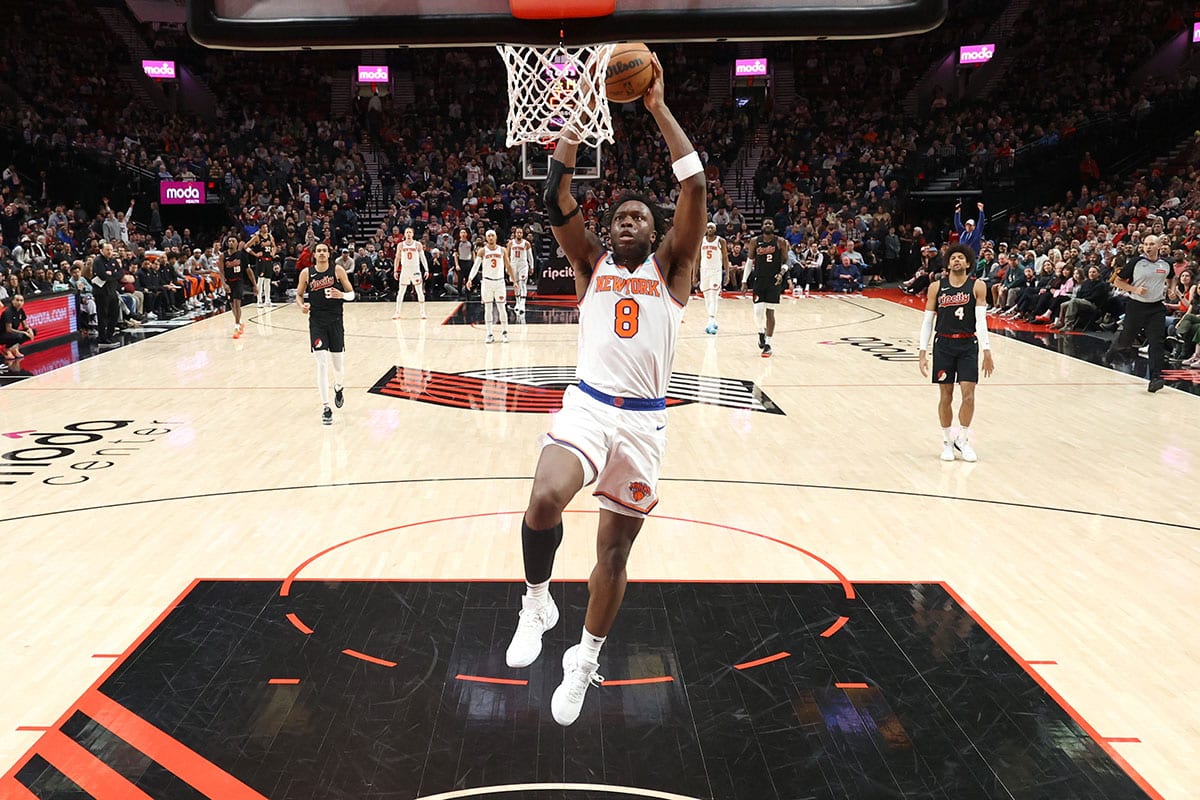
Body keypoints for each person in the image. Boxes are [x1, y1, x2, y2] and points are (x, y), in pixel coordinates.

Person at [503, 53, 704, 727]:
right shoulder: (589, 263)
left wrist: (653, 107)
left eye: (639, 217)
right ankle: (536, 600)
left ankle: (584, 661)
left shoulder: (673, 273)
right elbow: (553, 194)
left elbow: (695, 184)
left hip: (645, 425)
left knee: (613, 554)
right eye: (618, 214)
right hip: (589, 406)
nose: (626, 219)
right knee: (542, 500)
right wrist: (581, 117)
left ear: (655, 235)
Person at [918, 243, 996, 462]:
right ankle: (946, 441)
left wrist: (987, 350)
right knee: (946, 395)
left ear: (968, 263)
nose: (957, 260)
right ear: (948, 263)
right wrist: (922, 351)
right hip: (943, 344)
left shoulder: (978, 286)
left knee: (969, 394)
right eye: (953, 258)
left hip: (967, 344)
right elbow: (927, 321)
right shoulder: (936, 287)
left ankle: (963, 438)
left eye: (961, 257)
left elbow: (981, 321)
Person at [295, 242, 355, 425]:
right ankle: (326, 407)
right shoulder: (306, 273)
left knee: (338, 367)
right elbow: (298, 294)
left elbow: (352, 294)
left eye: (324, 251)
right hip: (317, 323)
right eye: (318, 251)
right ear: (314, 254)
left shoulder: (337, 271)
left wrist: (341, 295)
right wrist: (301, 306)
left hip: (336, 321)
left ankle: (338, 387)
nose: (321, 253)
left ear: (329, 254)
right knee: (321, 364)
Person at [1103, 233, 1169, 392]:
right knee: (1126, 340)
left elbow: (1171, 277)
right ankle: (1113, 349)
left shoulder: (1166, 264)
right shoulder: (1136, 262)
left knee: (1156, 342)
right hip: (1136, 305)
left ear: (1159, 246)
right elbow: (1117, 281)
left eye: (1152, 244)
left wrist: (1171, 289)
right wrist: (1135, 289)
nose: (1148, 247)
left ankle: (1155, 378)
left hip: (1156, 307)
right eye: (1146, 244)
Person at [741, 220, 789, 357]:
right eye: (766, 223)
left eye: (771, 223)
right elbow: (750, 261)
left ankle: (768, 344)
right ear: (762, 227)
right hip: (759, 280)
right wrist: (744, 281)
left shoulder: (781, 242)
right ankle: (761, 331)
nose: (768, 225)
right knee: (757, 312)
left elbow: (786, 261)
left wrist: (782, 273)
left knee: (770, 313)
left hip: (774, 280)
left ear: (774, 227)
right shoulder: (755, 241)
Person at [466, 229, 514, 344]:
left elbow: (508, 265)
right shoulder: (482, 251)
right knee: (488, 309)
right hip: (487, 283)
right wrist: (470, 278)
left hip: (500, 282)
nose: (491, 238)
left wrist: (514, 280)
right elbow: (476, 266)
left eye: (493, 235)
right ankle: (489, 333)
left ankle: (505, 332)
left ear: (496, 237)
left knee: (502, 308)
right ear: (486, 238)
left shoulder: (502, 250)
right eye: (489, 236)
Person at [220, 236, 256, 339]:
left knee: (237, 302)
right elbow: (221, 272)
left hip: (239, 281)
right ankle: (239, 321)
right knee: (232, 305)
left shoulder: (242, 255)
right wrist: (224, 284)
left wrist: (254, 284)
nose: (231, 243)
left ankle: (236, 326)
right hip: (229, 282)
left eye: (233, 241)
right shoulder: (223, 256)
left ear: (237, 243)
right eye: (229, 241)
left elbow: (248, 270)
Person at [696, 221, 728, 334]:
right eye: (708, 227)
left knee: (713, 295)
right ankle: (713, 320)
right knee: (706, 296)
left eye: (711, 228)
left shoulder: (720, 241)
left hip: (716, 271)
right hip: (704, 271)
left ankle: (710, 320)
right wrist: (695, 274)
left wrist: (727, 273)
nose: (709, 229)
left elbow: (725, 258)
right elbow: (697, 259)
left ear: (715, 229)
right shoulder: (701, 241)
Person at [391, 227, 429, 320]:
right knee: (401, 292)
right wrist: (395, 270)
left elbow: (422, 258)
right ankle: (397, 312)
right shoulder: (400, 245)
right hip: (405, 269)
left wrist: (426, 269)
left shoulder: (417, 244)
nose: (408, 234)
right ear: (404, 234)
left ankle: (422, 312)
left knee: (419, 291)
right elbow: (397, 258)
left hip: (415, 269)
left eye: (410, 232)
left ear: (413, 234)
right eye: (406, 232)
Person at [91, 241, 123, 348]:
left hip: (112, 291)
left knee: (114, 314)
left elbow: (120, 273)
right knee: (103, 315)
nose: (109, 252)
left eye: (111, 250)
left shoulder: (113, 260)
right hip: (101, 292)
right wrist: (111, 274)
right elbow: (102, 275)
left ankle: (109, 335)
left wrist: (111, 274)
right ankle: (102, 338)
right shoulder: (98, 261)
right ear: (102, 250)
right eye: (107, 250)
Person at [247, 223, 277, 308]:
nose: (266, 228)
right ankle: (259, 300)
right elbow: (246, 246)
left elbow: (274, 246)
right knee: (260, 281)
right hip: (261, 261)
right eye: (264, 227)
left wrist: (273, 253)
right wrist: (255, 254)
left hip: (269, 260)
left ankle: (267, 300)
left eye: (266, 227)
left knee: (268, 281)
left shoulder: (270, 236)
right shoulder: (257, 237)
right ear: (260, 228)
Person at [507, 226, 535, 314]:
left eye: (520, 232)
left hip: (523, 265)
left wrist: (532, 266)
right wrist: (507, 267)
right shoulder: (510, 243)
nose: (519, 234)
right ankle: (517, 302)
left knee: (522, 284)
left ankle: (522, 304)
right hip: (513, 265)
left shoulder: (526, 243)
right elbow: (507, 256)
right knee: (515, 285)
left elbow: (530, 256)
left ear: (522, 234)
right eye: (517, 232)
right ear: (515, 234)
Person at [0, 294, 35, 359]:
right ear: (13, 301)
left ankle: (14, 349)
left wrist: (29, 330)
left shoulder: (21, 310)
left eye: (21, 300)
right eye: (17, 300)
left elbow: (25, 326)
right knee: (20, 335)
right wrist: (24, 333)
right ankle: (6, 349)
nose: (19, 302)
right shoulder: (8, 312)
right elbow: (9, 329)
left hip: (12, 334)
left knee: (33, 331)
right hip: (3, 334)